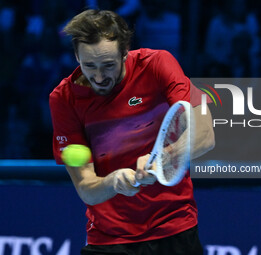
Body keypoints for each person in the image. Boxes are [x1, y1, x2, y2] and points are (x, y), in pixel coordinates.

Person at [49, 9, 215, 255]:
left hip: (174, 228)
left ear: (125, 52)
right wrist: (113, 181)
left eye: (108, 65)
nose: (98, 76)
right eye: (89, 66)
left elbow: (205, 135)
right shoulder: (63, 99)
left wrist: (162, 158)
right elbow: (87, 188)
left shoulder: (158, 65)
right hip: (109, 239)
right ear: (76, 56)